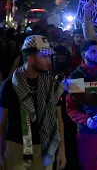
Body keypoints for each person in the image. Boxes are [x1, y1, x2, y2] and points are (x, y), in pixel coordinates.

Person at [0, 35, 66, 170]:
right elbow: (1, 121)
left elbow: (58, 119)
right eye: (44, 56)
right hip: (16, 148)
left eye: (49, 56)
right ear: (30, 58)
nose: (49, 60)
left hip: (44, 148)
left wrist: (61, 151)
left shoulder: (52, 85)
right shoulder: (10, 85)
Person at [66, 40, 97, 170]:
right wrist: (86, 120)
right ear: (83, 54)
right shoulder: (76, 76)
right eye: (93, 51)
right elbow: (71, 107)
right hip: (86, 133)